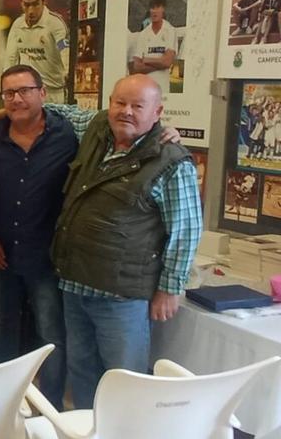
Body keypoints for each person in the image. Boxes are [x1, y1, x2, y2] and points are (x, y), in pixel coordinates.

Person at [51, 74, 202, 408]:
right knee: (82, 371)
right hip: (75, 284)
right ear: (109, 103)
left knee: (124, 379)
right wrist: (8, 111)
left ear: (158, 111)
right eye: (120, 103)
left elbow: (186, 230)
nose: (127, 112)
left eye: (138, 106)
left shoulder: (171, 161)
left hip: (121, 295)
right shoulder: (96, 129)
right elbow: (54, 108)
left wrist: (170, 287)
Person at [0, 64, 77, 409]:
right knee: (2, 328)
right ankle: (1, 403)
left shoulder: (67, 134)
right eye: (9, 93)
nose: (17, 99)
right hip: (2, 252)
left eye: (24, 91)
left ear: (42, 93)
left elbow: (112, 112)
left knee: (51, 334)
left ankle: (49, 407)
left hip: (47, 256)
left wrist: (162, 129)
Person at [4, 0, 70, 104]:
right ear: (21, 3)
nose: (31, 11)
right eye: (26, 5)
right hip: (27, 92)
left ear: (44, 2)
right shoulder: (18, 25)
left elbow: (65, 50)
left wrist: (67, 71)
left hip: (53, 92)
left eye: (35, 4)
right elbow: (10, 58)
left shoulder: (55, 24)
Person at [129, 0, 177, 94]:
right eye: (152, 7)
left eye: (158, 7)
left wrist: (146, 60)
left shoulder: (170, 31)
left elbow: (168, 62)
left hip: (163, 91)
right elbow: (137, 67)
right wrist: (161, 62)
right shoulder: (143, 34)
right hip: (145, 91)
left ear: (163, 8)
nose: (154, 11)